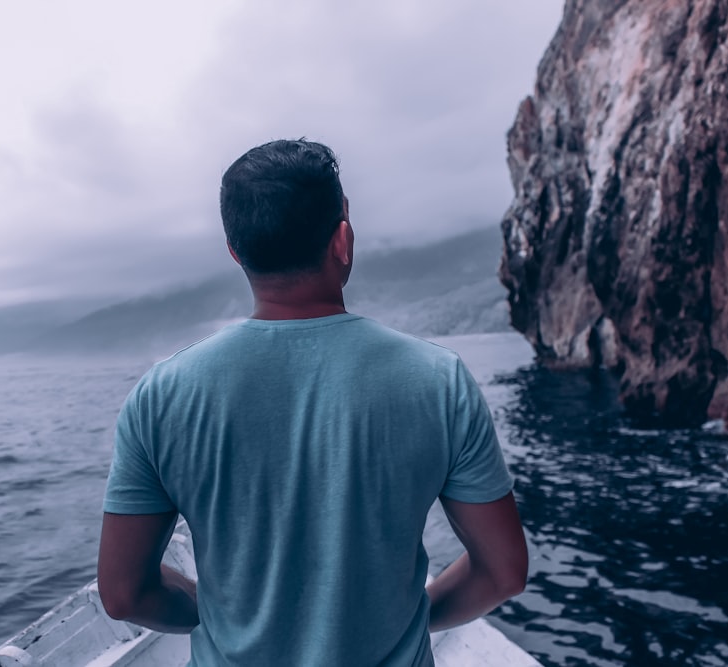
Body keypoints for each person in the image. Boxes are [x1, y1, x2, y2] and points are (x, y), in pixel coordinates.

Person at [97, 139, 528, 666]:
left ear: (236, 251)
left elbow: (123, 594)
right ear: (343, 239)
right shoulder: (439, 381)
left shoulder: (160, 397)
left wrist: (212, 612)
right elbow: (503, 571)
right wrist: (418, 614)